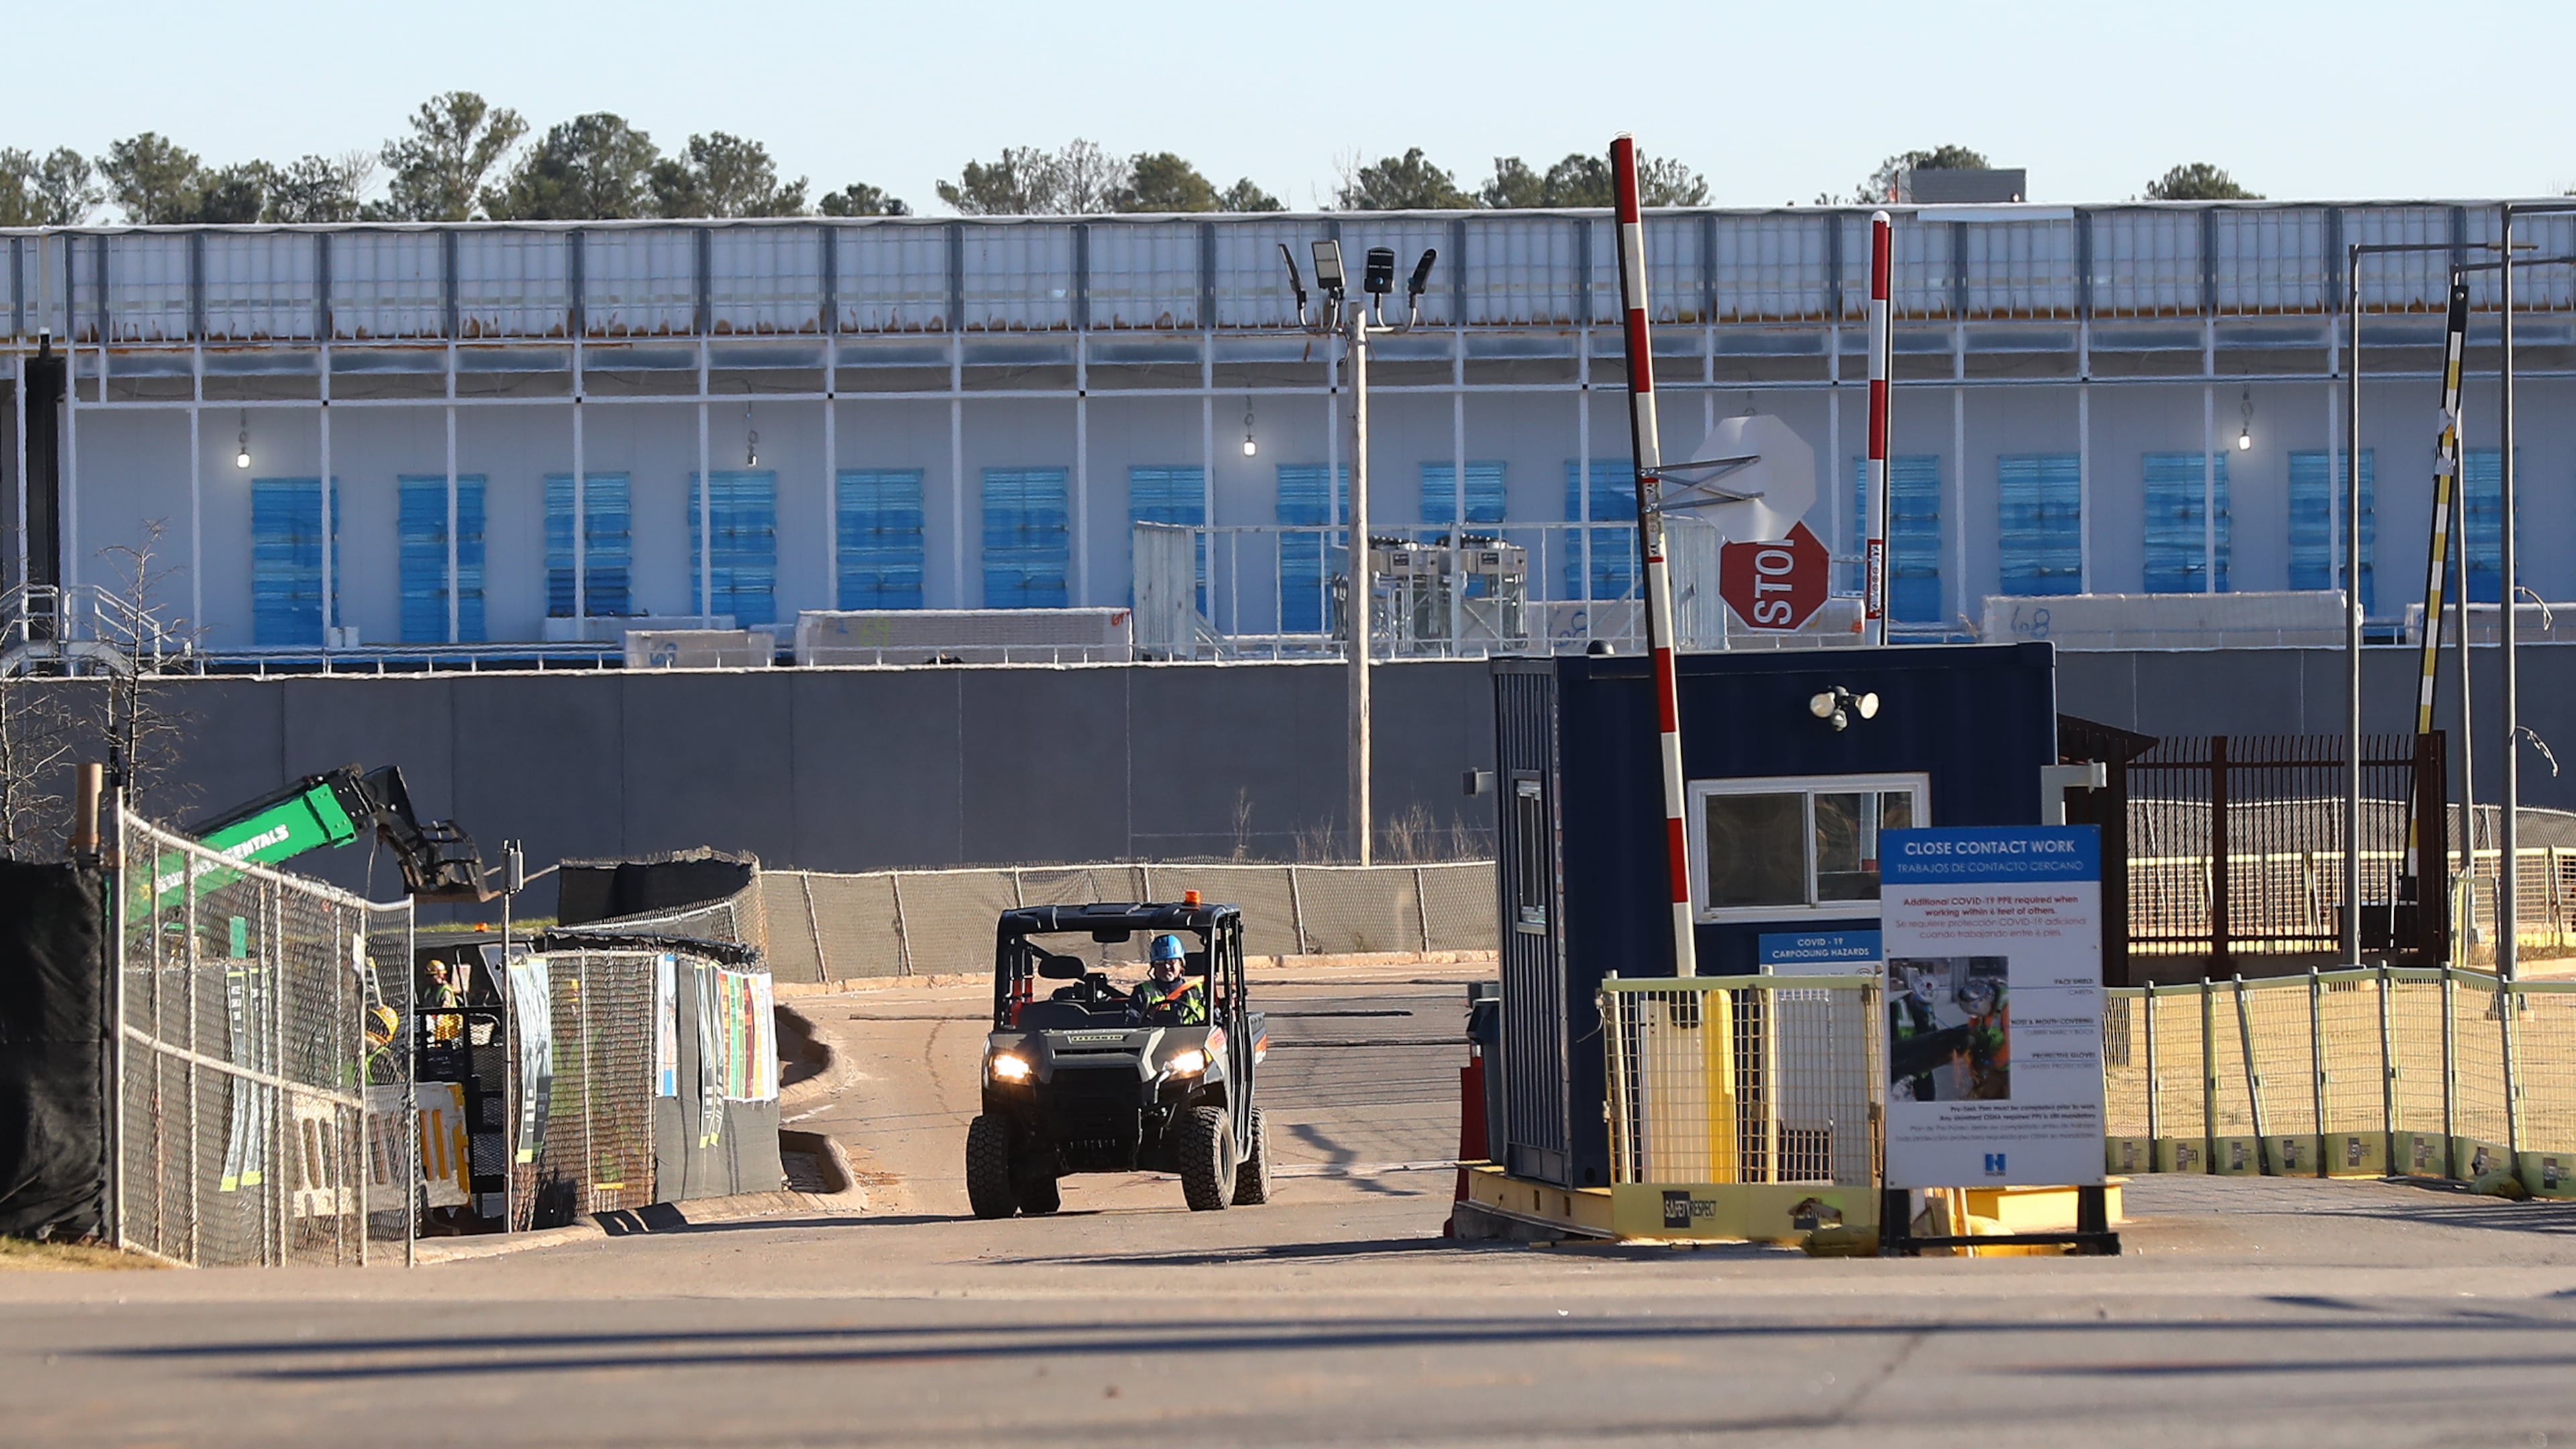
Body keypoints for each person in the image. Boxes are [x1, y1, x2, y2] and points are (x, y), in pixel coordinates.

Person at [1127, 934, 1206, 1026]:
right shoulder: (1142, 993)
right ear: (1153, 966)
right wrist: (1147, 1018)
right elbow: (1131, 1022)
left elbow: (1216, 1023)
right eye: (1160, 962)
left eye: (1172, 961)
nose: (1167, 966)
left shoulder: (1199, 991)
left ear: (1181, 964)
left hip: (1193, 1038)